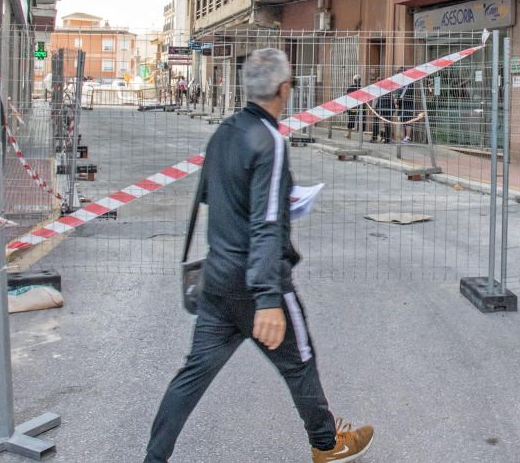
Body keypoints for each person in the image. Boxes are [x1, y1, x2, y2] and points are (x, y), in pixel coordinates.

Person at [144, 48, 374, 463]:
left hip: (217, 278)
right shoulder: (270, 141)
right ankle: (326, 444)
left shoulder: (224, 132)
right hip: (258, 282)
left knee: (192, 375)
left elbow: (215, 197)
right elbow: (267, 223)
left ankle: (153, 459)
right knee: (299, 360)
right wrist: (268, 298)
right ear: (283, 90)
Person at [394, 66, 414, 144]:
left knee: (408, 121)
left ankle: (407, 137)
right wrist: (396, 99)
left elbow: (406, 93)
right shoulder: (400, 83)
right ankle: (402, 138)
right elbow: (398, 92)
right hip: (401, 105)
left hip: (407, 104)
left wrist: (397, 100)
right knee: (401, 120)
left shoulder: (409, 82)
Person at [345, 74, 362, 140]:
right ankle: (360, 136)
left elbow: (347, 97)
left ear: (354, 80)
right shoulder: (362, 88)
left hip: (352, 107)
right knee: (360, 120)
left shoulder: (350, 88)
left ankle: (349, 134)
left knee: (351, 119)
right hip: (359, 107)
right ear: (360, 81)